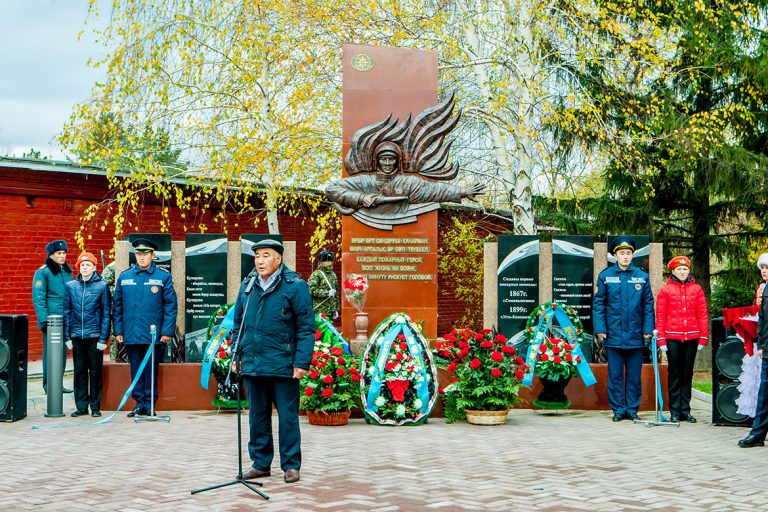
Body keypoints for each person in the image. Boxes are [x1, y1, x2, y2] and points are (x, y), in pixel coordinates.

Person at [230, 239, 314, 483]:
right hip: (254, 364)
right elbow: (238, 323)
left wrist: (301, 362)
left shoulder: (295, 286)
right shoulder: (248, 285)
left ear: (278, 258)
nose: (260, 260)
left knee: (287, 417)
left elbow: (306, 328)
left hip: (284, 364)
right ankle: (260, 463)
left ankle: (290, 465)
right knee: (257, 416)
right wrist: (237, 354)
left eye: (266, 255)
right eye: (257, 255)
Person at [593, 236, 655, 422]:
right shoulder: (605, 276)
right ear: (615, 255)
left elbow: (648, 305)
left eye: (628, 253)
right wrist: (600, 329)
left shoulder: (642, 277)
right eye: (622, 253)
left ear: (632, 255)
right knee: (615, 375)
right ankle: (619, 409)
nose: (625, 257)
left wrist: (648, 329)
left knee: (635, 377)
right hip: (613, 335)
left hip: (636, 335)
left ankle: (632, 409)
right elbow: (599, 304)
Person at [113, 238, 178, 417]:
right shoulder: (125, 277)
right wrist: (118, 330)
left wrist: (166, 332)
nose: (142, 258)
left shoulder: (162, 276)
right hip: (132, 332)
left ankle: (150, 404)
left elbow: (171, 306)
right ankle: (139, 403)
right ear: (135, 255)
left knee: (150, 370)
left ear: (152, 255)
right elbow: (117, 306)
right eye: (139, 254)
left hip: (153, 335)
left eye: (145, 254)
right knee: (135, 369)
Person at [655, 256, 708, 423]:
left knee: (687, 374)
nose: (682, 272)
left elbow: (702, 314)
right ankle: (675, 411)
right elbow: (660, 316)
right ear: (673, 271)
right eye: (679, 269)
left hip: (692, 336)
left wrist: (703, 338)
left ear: (689, 270)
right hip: (672, 337)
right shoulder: (666, 290)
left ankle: (686, 410)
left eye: (685, 269)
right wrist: (661, 339)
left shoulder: (697, 289)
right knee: (675, 374)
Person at [63, 252, 111, 417]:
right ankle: (81, 406)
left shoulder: (102, 286)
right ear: (78, 267)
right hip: (77, 336)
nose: (85, 267)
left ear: (94, 267)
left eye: (88, 265)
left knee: (95, 372)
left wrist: (104, 338)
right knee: (79, 372)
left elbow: (106, 314)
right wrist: (67, 336)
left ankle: (95, 407)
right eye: (82, 265)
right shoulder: (70, 286)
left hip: (94, 336)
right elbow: (67, 312)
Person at [32, 239, 74, 393]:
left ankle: (58, 384)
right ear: (51, 255)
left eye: (64, 253)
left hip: (66, 319)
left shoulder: (68, 272)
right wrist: (44, 320)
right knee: (50, 352)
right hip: (51, 320)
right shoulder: (43, 272)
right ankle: (48, 385)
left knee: (62, 353)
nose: (62, 256)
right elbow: (38, 298)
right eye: (59, 253)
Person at [739, 253, 768, 448]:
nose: (764, 271)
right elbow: (764, 320)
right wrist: (763, 345)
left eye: (767, 268)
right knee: (764, 393)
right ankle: (758, 433)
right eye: (763, 268)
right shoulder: (764, 290)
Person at [307, 250, 339, 320]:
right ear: (322, 261)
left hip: (331, 311)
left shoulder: (333, 275)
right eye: (327, 260)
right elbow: (311, 290)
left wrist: (336, 309)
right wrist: (327, 293)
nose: (329, 262)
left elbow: (336, 294)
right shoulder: (316, 274)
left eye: (330, 260)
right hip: (320, 311)